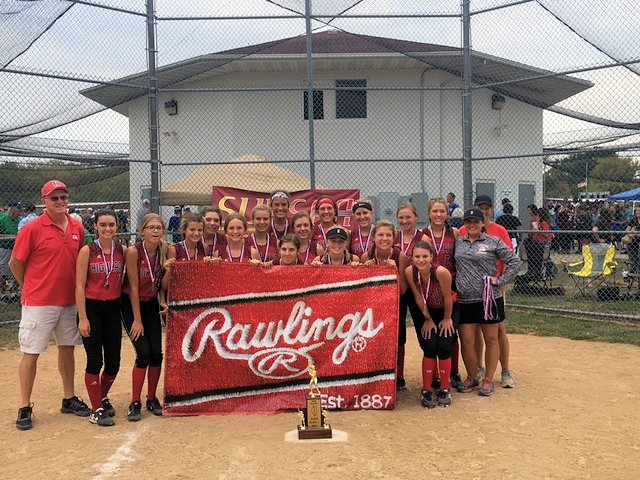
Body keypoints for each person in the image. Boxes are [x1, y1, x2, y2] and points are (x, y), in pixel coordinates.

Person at [10, 180, 90, 431]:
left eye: (63, 197)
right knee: (31, 352)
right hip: (39, 302)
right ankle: (25, 405)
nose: (60, 202)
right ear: (44, 201)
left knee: (67, 349)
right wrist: (31, 286)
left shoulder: (77, 226)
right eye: (54, 198)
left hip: (68, 301)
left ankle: (68, 398)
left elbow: (81, 260)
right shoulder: (32, 228)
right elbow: (16, 263)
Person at [455, 208, 521, 397]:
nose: (472, 225)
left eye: (476, 221)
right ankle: (472, 376)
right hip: (465, 299)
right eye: (468, 221)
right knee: (467, 341)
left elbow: (515, 261)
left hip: (489, 298)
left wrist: (500, 281)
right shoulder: (459, 242)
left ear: (483, 223)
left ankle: (488, 380)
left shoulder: (493, 242)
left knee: (491, 339)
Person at [75, 209, 125, 427]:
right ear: (95, 226)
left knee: (113, 362)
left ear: (117, 227)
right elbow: (78, 286)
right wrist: (83, 317)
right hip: (92, 308)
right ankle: (96, 410)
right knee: (95, 360)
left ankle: (101, 397)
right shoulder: (88, 250)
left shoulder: (122, 250)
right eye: (103, 225)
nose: (107, 229)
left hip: (113, 308)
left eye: (111, 225)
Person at [120, 213, 169, 421]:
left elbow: (161, 284)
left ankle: (151, 398)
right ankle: (135, 401)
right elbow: (132, 287)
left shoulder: (165, 251)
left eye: (158, 228)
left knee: (157, 355)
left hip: (151, 303)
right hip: (132, 304)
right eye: (151, 227)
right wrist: (137, 320)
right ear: (142, 231)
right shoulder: (134, 251)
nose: (155, 231)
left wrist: (164, 299)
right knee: (144, 354)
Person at [404, 241, 455, 408]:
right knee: (430, 347)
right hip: (428, 311)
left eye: (425, 256)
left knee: (444, 347)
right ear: (412, 258)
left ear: (432, 257)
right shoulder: (409, 272)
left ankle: (445, 388)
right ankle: (426, 389)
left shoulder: (441, 272)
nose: (421, 260)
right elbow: (419, 297)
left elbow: (448, 298)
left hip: (448, 310)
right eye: (417, 256)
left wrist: (447, 319)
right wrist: (428, 319)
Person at [361, 221, 409, 390]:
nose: (384, 238)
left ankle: (399, 376)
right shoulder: (367, 257)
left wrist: (395, 271)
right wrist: (366, 269)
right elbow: (361, 290)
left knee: (398, 337)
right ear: (373, 238)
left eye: (388, 235)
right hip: (374, 305)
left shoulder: (399, 255)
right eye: (380, 235)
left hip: (396, 303)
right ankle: (375, 373)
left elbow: (404, 289)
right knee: (374, 337)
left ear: (394, 237)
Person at [422, 198, 462, 389]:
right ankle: (436, 375)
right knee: (435, 331)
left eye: (442, 211)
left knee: (451, 332)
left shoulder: (454, 233)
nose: (438, 215)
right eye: (434, 211)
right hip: (430, 285)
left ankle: (454, 371)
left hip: (451, 284)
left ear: (447, 213)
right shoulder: (423, 236)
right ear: (428, 213)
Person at [0, 201, 21, 293]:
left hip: (17, 248)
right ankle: (3, 293)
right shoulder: (3, 219)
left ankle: (14, 293)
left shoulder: (20, 220)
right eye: (18, 208)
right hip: (5, 248)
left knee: (17, 271)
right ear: (12, 209)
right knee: (3, 271)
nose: (20, 210)